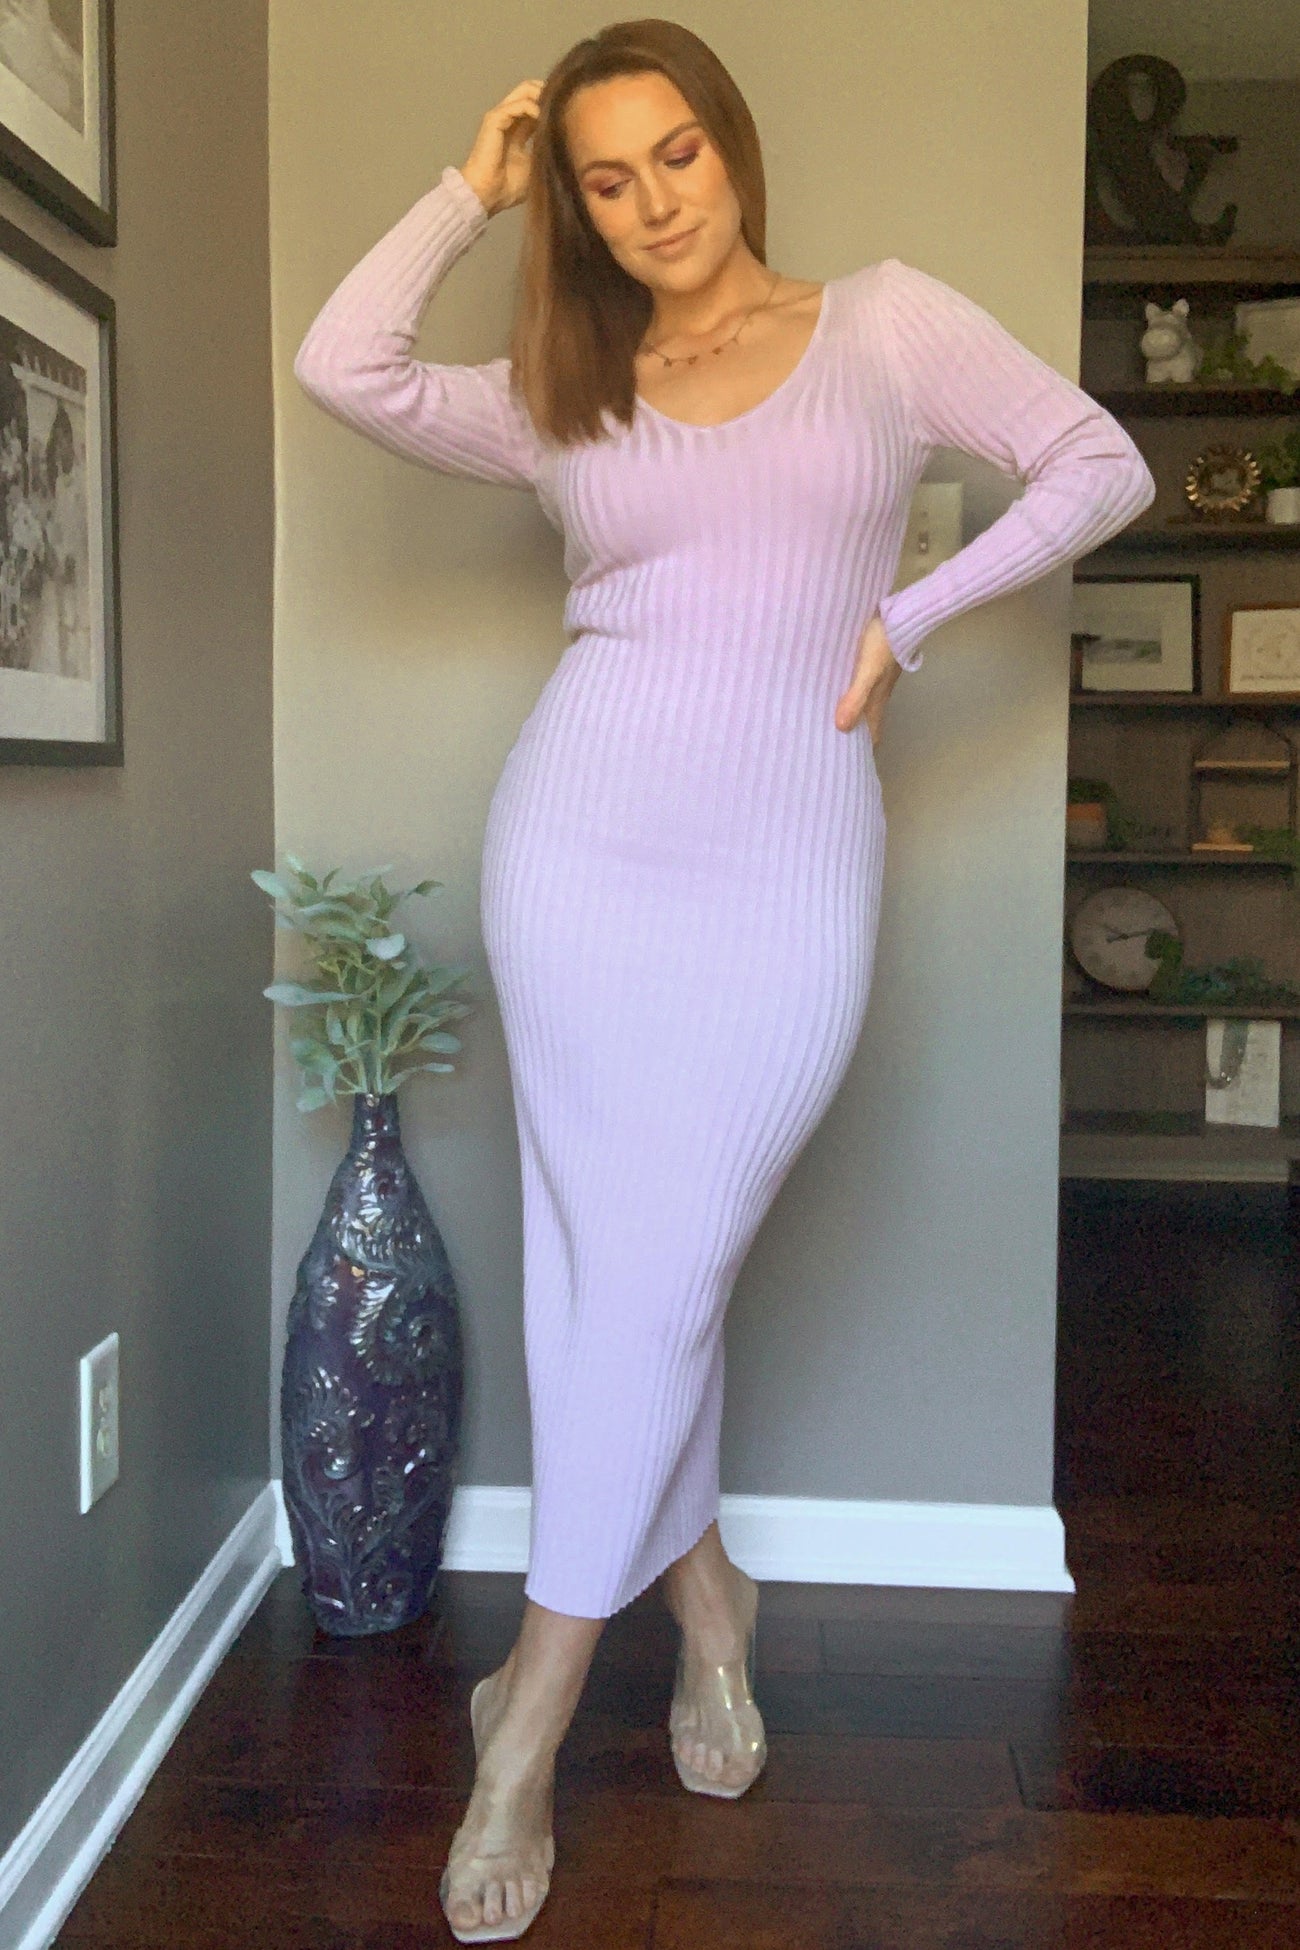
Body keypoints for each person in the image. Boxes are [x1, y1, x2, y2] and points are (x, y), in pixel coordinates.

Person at [293, 19, 1155, 1942]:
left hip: (785, 861)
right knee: (614, 1270)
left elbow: (1096, 462)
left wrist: (909, 617)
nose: (652, 202)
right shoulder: (561, 384)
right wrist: (468, 188)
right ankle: (692, 1620)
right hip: (576, 848)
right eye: (605, 178)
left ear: (733, 146)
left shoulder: (888, 324)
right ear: (578, 205)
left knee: (660, 1268)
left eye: (675, 153)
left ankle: (532, 1701)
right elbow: (341, 363)